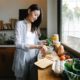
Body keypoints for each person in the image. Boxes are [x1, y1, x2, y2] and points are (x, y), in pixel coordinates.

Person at [12, 4, 46, 80]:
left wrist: (43, 41)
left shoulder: (34, 26)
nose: (36, 18)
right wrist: (36, 46)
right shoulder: (20, 24)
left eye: (38, 16)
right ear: (29, 11)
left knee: (32, 78)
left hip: (33, 58)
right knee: (21, 78)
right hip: (22, 58)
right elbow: (17, 44)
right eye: (35, 15)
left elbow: (35, 41)